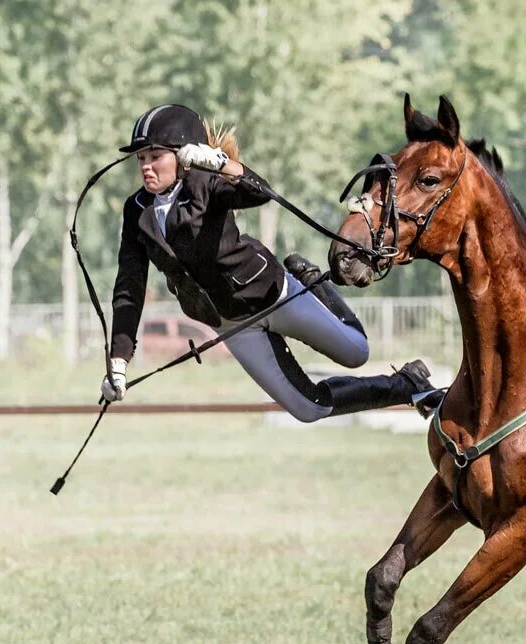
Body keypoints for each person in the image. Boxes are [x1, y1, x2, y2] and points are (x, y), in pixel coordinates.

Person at [102, 103, 435, 422]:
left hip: (273, 294)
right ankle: (407, 384)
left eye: (156, 156)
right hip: (230, 324)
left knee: (356, 353)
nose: (146, 166)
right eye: (141, 158)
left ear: (184, 156)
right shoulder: (136, 211)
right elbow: (129, 286)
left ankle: (311, 282)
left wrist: (222, 165)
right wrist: (118, 359)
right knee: (309, 409)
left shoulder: (207, 183)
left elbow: (260, 194)